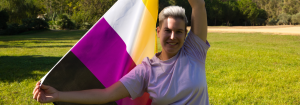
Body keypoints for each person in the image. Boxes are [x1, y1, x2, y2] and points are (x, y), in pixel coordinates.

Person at [33, 0, 209, 104]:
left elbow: (198, 4)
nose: (173, 36)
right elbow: (106, 94)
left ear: (186, 34)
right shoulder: (147, 70)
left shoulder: (194, 52)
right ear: (157, 31)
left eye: (179, 32)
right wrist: (58, 94)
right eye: (167, 31)